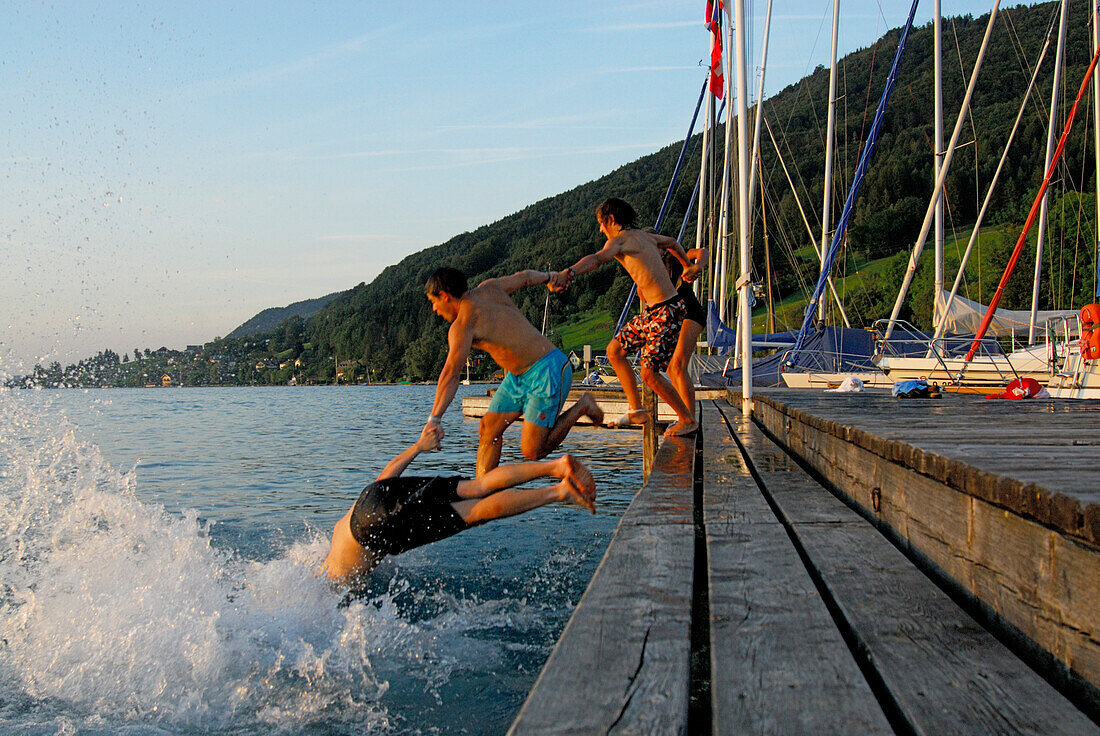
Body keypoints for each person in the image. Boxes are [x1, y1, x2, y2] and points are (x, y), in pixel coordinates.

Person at [322, 424, 597, 581]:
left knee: (475, 513)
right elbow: (385, 477)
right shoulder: (336, 535)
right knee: (479, 486)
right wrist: (418, 446)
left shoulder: (332, 582)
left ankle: (560, 492)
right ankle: (557, 466)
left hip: (374, 528)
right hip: (372, 494)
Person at [423, 266, 604, 477]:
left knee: (532, 450)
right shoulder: (489, 288)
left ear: (444, 296)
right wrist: (550, 277)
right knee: (488, 430)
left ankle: (583, 405)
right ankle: (482, 493)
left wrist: (434, 419)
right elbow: (525, 278)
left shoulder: (463, 324)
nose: (434, 309)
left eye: (433, 302)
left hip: (547, 369)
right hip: (518, 377)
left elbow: (451, 374)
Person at [551, 198, 702, 436]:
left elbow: (598, 259)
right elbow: (672, 242)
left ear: (611, 220)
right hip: (653, 312)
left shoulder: (619, 240)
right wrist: (685, 265)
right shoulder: (645, 237)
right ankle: (636, 409)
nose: (600, 229)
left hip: (667, 310)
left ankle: (687, 419)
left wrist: (570, 272)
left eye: (601, 224)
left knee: (649, 374)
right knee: (614, 351)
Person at [663, 246, 709, 427]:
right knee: (671, 369)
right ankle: (684, 415)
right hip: (676, 317)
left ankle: (688, 419)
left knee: (678, 366)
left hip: (691, 313)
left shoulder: (673, 257)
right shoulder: (648, 265)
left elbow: (702, 252)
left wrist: (697, 267)